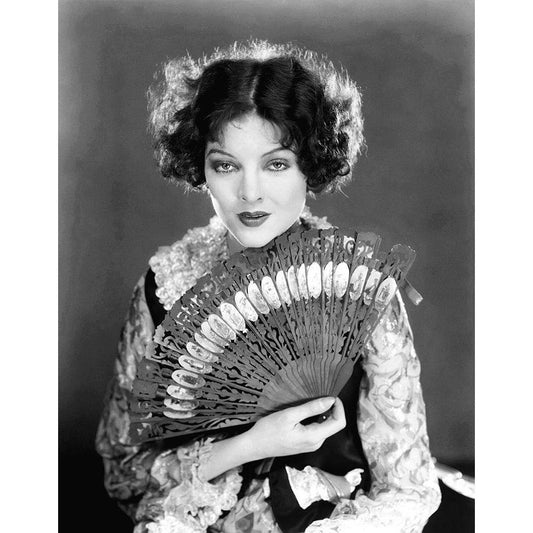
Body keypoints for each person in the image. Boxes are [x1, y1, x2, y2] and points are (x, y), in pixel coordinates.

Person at [96, 40, 441, 533]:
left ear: (311, 165)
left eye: (276, 163)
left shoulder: (358, 288)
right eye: (226, 165)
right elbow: (125, 474)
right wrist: (251, 444)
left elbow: (408, 488)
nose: (250, 192)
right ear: (201, 168)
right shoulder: (165, 285)